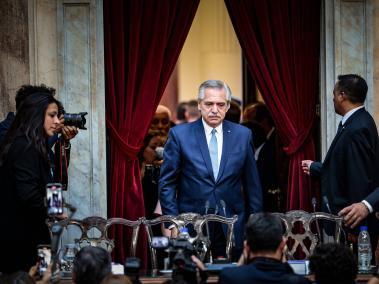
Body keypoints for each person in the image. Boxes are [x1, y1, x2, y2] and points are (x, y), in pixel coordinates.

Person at [159, 80, 262, 258]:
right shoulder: (179, 135)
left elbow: (252, 183)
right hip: (191, 224)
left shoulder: (243, 135)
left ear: (228, 106)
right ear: (199, 105)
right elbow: (167, 182)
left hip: (232, 223)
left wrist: (256, 223)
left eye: (220, 104)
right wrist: (173, 222)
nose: (214, 109)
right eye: (209, 104)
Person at [301, 74, 379, 252]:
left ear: (342, 95)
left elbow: (360, 179)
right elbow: (344, 166)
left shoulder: (357, 128)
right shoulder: (356, 121)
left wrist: (355, 228)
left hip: (353, 224)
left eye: (334, 93)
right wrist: (316, 167)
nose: (332, 98)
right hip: (349, 222)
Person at [0, 92, 63, 273]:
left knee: (46, 276)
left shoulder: (32, 144)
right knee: (39, 277)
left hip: (30, 237)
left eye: (58, 115)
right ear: (36, 115)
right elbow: (28, 195)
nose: (58, 121)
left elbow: (49, 184)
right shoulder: (26, 147)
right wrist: (55, 210)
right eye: (52, 115)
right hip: (22, 241)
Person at [0, 84, 78, 189]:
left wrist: (64, 141)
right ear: (33, 110)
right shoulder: (12, 137)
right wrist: (55, 205)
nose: (57, 121)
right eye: (51, 115)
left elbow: (53, 175)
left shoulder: (39, 136)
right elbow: (30, 197)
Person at [217, 213, 310, 284]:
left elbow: (235, 275)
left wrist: (241, 262)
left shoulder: (228, 277)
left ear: (246, 247)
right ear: (282, 245)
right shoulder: (300, 282)